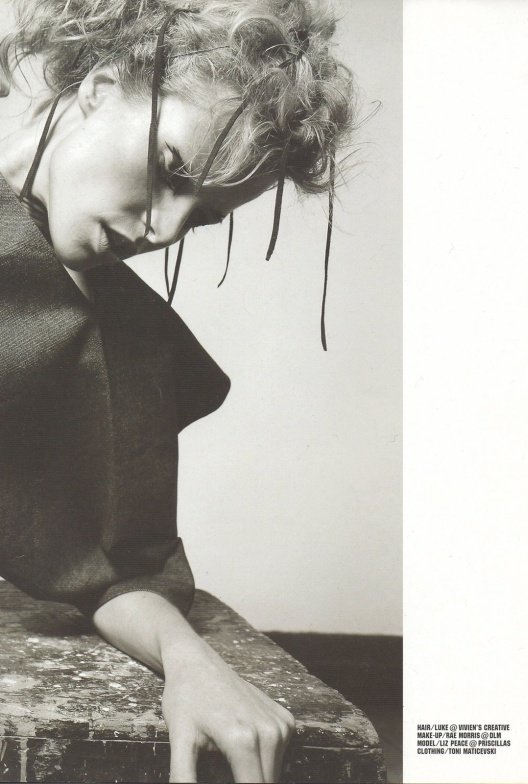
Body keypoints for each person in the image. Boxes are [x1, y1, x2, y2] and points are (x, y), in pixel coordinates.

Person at [0, 0, 355, 781]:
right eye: (170, 170)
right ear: (98, 89)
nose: (162, 231)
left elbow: (116, 565)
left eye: (202, 218)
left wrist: (192, 663)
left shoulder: (124, 339)